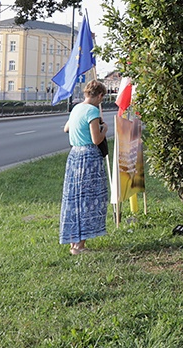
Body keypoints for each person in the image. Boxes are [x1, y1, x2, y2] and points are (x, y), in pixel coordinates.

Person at [60, 80, 109, 255]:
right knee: (87, 200)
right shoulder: (92, 111)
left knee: (74, 199)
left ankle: (73, 244)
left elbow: (66, 129)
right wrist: (105, 129)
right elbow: (96, 139)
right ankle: (80, 247)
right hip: (89, 158)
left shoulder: (76, 108)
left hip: (74, 156)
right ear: (100, 96)